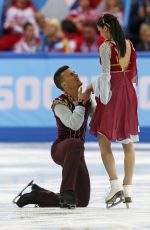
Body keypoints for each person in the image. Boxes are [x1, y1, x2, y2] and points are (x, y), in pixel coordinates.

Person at [14, 66, 96, 209]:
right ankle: (66, 190)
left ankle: (39, 195)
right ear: (64, 84)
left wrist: (101, 98)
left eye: (75, 72)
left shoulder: (87, 100)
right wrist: (82, 104)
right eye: (71, 74)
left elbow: (98, 120)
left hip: (77, 152)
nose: (76, 74)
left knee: (81, 201)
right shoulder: (59, 103)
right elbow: (74, 125)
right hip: (61, 149)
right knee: (75, 143)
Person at [86, 14, 139, 208]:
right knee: (127, 141)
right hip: (128, 92)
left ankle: (115, 184)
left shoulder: (106, 47)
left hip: (113, 92)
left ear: (106, 27)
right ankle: (128, 189)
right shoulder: (130, 44)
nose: (99, 32)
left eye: (100, 29)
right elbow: (132, 74)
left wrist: (91, 89)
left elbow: (106, 76)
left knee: (103, 139)